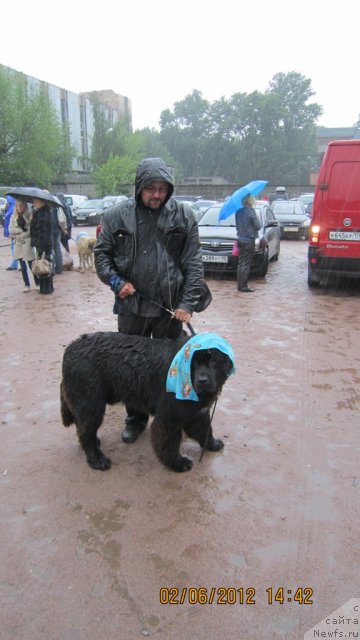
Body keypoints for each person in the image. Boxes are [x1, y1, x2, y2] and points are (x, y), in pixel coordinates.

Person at [94, 156, 204, 444]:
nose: (157, 194)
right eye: (150, 188)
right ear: (138, 187)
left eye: (162, 188)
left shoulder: (184, 216)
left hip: (171, 311)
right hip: (132, 308)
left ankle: (172, 415)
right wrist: (116, 282)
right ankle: (136, 418)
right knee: (133, 369)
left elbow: (193, 264)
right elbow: (101, 256)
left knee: (174, 366)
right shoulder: (116, 215)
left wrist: (188, 304)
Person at [9, 197, 37, 292]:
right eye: (18, 205)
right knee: (23, 266)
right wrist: (19, 231)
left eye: (22, 205)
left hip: (27, 243)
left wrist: (18, 235)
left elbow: (29, 231)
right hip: (18, 244)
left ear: (25, 206)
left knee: (31, 264)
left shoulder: (29, 216)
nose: (20, 207)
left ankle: (37, 283)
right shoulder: (13, 217)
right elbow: (11, 229)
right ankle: (26, 284)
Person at [235, 194, 261, 293]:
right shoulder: (251, 211)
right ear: (250, 201)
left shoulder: (238, 211)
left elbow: (237, 225)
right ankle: (244, 286)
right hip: (248, 239)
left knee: (241, 263)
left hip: (240, 238)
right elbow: (258, 226)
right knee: (246, 263)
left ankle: (239, 285)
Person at [30, 197, 55, 295]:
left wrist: (40, 244)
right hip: (44, 243)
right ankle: (46, 287)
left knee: (44, 265)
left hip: (44, 243)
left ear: (42, 202)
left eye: (36, 202)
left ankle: (46, 288)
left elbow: (43, 231)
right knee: (45, 264)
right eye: (34, 201)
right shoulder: (40, 212)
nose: (34, 203)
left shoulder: (44, 214)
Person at [3, 195, 19, 270]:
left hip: (15, 233)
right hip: (12, 232)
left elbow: (8, 219)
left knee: (15, 248)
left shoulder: (12, 209)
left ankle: (15, 264)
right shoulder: (11, 208)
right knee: (14, 247)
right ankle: (15, 264)